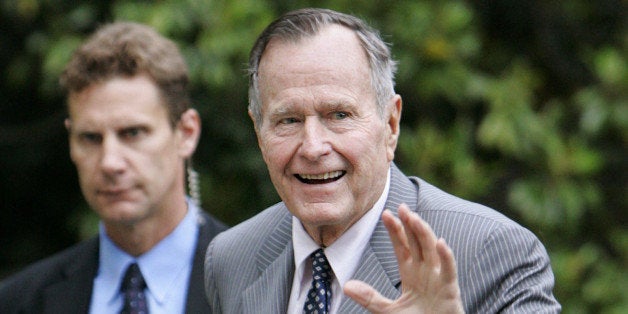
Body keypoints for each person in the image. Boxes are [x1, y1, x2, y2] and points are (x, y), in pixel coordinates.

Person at [204, 8, 561, 313]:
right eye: (289, 120)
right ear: (259, 132)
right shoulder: (232, 257)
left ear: (391, 124)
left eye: (339, 115)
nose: (312, 147)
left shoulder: (492, 252)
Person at [0, 22, 227, 313]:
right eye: (90, 138)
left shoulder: (265, 284)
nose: (110, 162)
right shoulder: (21, 302)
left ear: (186, 133)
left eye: (132, 133)